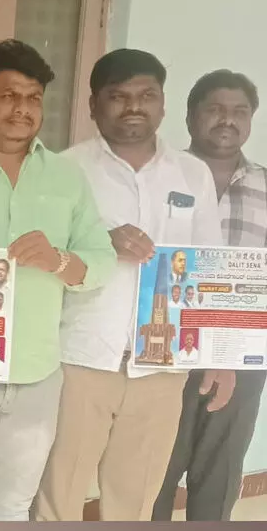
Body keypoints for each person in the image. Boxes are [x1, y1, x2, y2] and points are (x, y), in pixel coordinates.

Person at [36, 49, 235, 521]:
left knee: (135, 502)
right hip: (79, 358)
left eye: (147, 96)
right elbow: (46, 255)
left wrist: (220, 356)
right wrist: (101, 244)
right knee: (57, 497)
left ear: (163, 104)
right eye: (118, 96)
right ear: (93, 105)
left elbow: (209, 265)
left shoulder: (191, 173)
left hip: (161, 366)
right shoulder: (65, 168)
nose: (133, 107)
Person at [0, 40, 116, 521]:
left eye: (33, 98)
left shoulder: (66, 177)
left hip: (36, 370)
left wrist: (58, 260)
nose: (22, 109)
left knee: (13, 504)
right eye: (9, 96)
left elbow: (101, 260)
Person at [155, 70, 266, 522]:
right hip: (164, 348)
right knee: (156, 467)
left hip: (242, 353)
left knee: (219, 473)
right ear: (190, 116)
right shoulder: (162, 177)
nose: (228, 120)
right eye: (216, 109)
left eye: (240, 111)